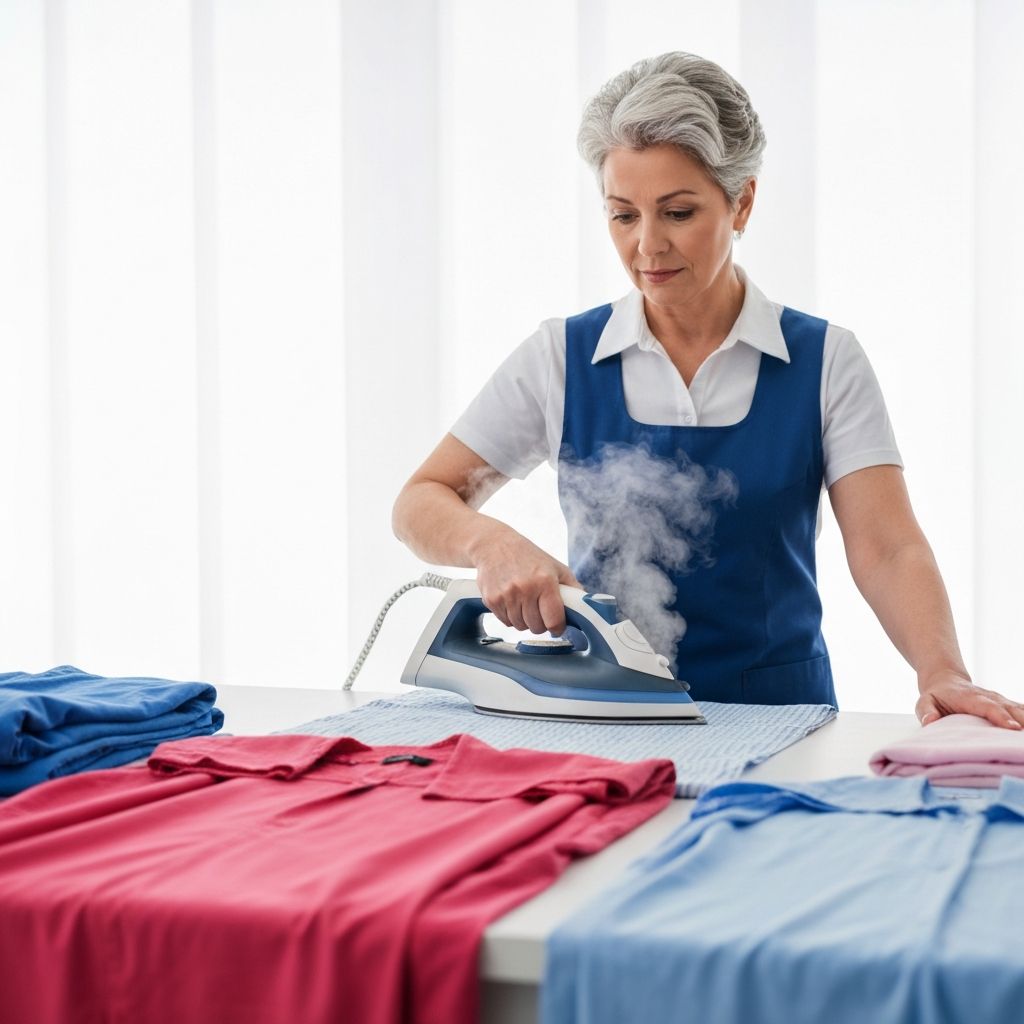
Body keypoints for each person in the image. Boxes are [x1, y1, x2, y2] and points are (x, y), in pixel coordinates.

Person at [393, 51, 1023, 729]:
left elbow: (887, 546)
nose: (648, 247)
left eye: (678, 211)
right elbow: (422, 500)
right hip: (602, 722)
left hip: (782, 725)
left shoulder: (822, 361)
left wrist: (942, 671)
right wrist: (493, 546)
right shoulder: (561, 358)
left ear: (742, 200)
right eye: (623, 215)